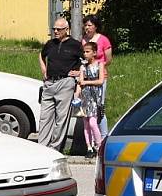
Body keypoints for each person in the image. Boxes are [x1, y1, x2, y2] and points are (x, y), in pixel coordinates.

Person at [37, 18, 83, 150]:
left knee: (61, 119)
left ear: (66, 29)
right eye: (54, 29)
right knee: (45, 117)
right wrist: (44, 70)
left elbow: (86, 61)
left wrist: (79, 73)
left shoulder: (75, 45)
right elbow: (41, 55)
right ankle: (42, 147)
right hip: (49, 82)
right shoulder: (50, 43)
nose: (55, 31)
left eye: (59, 29)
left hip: (65, 83)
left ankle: (54, 148)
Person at [81, 15, 112, 138]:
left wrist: (98, 67)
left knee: (100, 107)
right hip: (87, 78)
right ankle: (93, 140)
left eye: (90, 25)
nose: (87, 28)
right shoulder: (83, 40)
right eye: (85, 25)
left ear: (95, 26)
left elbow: (108, 59)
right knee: (89, 108)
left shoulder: (103, 40)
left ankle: (104, 136)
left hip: (100, 77)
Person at [76, 41, 105, 159]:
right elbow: (80, 83)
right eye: (84, 52)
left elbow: (100, 81)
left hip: (95, 97)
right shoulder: (83, 66)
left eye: (88, 52)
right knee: (86, 124)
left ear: (94, 53)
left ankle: (99, 146)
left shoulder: (99, 65)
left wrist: (86, 82)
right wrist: (76, 96)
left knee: (93, 122)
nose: (85, 54)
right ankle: (89, 147)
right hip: (85, 97)